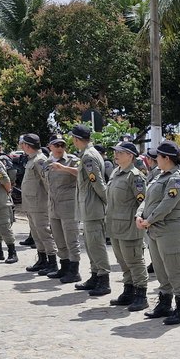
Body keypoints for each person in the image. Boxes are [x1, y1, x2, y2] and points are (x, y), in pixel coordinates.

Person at [135, 141, 180, 323]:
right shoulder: (159, 176)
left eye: (157, 156)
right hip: (154, 229)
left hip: (171, 229)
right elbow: (147, 199)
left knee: (176, 269)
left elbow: (167, 204)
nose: (154, 159)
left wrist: (148, 220)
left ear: (166, 158)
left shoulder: (178, 178)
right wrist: (139, 215)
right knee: (160, 269)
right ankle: (165, 303)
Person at [101, 141, 149, 308]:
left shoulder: (135, 176)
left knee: (135, 261)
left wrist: (140, 220)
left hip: (129, 227)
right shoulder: (116, 172)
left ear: (130, 155)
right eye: (115, 152)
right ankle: (128, 291)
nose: (116, 155)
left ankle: (141, 294)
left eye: (120, 152)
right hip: (114, 226)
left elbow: (144, 202)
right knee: (123, 261)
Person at [71, 125, 112, 295]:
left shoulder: (88, 156)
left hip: (93, 207)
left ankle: (103, 278)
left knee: (96, 244)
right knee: (90, 243)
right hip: (89, 206)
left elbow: (98, 183)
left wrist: (108, 203)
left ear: (76, 139)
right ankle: (95, 275)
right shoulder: (90, 153)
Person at [43, 138, 83, 284]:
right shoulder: (47, 163)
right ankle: (64, 267)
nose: (60, 148)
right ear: (50, 147)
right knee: (59, 239)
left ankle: (74, 271)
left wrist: (64, 168)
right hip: (53, 205)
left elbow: (82, 173)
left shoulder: (72, 160)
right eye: (56, 145)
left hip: (68, 206)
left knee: (71, 239)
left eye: (63, 145)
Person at [19, 134, 57, 274]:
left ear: (28, 146)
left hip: (39, 204)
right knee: (36, 234)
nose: (22, 146)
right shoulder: (32, 160)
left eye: (23, 144)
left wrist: (51, 201)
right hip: (31, 204)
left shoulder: (40, 160)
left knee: (44, 233)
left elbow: (47, 182)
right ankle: (42, 259)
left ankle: (52, 262)